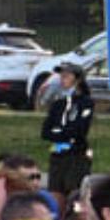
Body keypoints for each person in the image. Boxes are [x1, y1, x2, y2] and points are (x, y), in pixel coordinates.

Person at [41, 62, 93, 201]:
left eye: (67, 75)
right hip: (57, 154)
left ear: (77, 79)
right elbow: (46, 132)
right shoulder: (58, 104)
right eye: (61, 75)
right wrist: (61, 133)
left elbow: (79, 130)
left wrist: (60, 132)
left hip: (76, 154)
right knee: (56, 194)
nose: (62, 78)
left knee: (75, 196)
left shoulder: (85, 102)